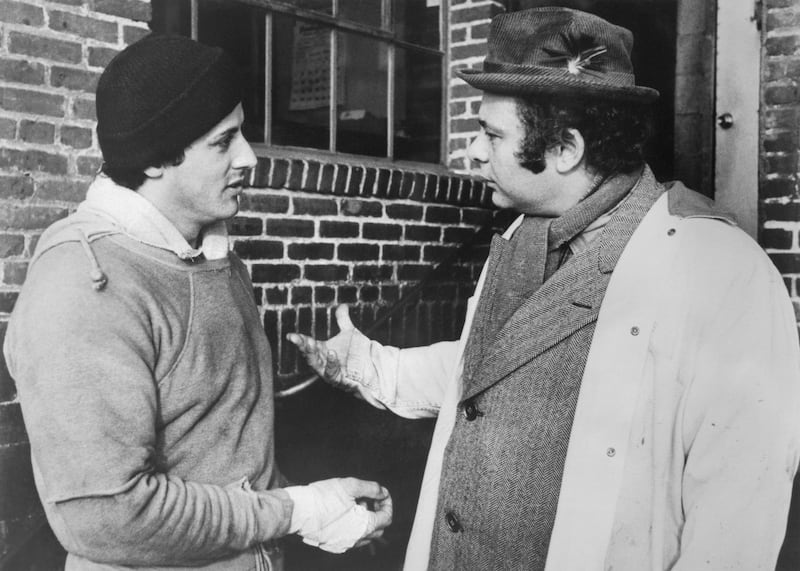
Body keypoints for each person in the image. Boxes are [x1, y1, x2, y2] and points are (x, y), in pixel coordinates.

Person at [287, 7, 800, 570]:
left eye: (491, 134)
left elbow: (736, 520)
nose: (474, 153)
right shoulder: (522, 238)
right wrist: (365, 365)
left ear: (565, 149)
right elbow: (488, 374)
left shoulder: (722, 272)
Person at [3, 34, 392, 571]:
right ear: (158, 157)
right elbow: (109, 517)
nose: (249, 157)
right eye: (223, 141)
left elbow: (221, 448)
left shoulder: (210, 255)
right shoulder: (81, 289)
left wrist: (321, 512)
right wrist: (294, 511)